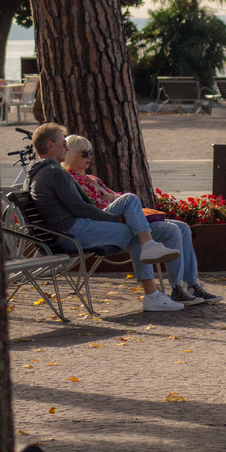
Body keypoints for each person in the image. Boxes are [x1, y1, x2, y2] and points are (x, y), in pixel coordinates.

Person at [27, 123, 183, 312]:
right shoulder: (54, 172)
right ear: (50, 145)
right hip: (72, 232)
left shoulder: (42, 172)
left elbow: (78, 208)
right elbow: (79, 208)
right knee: (136, 233)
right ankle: (152, 294)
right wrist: (114, 219)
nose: (66, 147)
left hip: (69, 230)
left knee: (130, 205)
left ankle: (152, 284)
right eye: (63, 143)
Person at [63, 134, 220, 306]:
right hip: (109, 222)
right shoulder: (71, 179)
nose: (89, 157)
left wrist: (112, 197)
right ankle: (177, 287)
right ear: (71, 155)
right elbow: (94, 207)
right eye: (84, 153)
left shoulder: (93, 179)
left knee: (182, 228)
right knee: (166, 226)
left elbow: (116, 197)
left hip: (126, 218)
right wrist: (113, 198)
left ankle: (190, 285)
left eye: (90, 152)